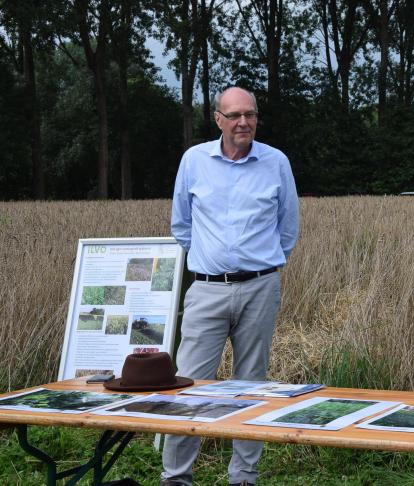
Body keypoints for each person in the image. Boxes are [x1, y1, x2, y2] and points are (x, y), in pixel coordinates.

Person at [162, 86, 299, 486]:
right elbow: (181, 226)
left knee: (251, 385)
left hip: (260, 288)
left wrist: (258, 266)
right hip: (205, 290)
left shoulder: (276, 162)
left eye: (251, 115)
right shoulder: (194, 161)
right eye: (235, 115)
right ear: (218, 119)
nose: (244, 122)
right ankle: (176, 478)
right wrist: (213, 264)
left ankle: (243, 477)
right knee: (187, 386)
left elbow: (287, 228)